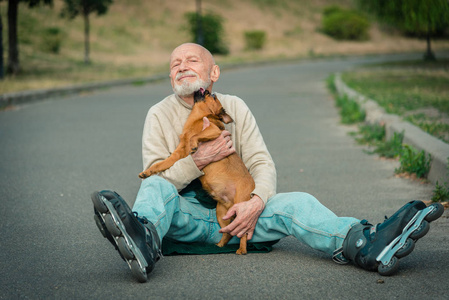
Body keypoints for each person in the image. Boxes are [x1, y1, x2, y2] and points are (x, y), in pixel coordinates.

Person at [91, 43, 444, 283]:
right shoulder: (158, 114)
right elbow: (159, 175)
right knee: (153, 186)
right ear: (171, 78)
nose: (181, 66)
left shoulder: (235, 107)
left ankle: (365, 244)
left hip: (244, 218)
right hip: (185, 219)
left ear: (214, 72)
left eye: (191, 60)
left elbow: (262, 164)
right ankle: (143, 237)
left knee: (297, 203)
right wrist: (199, 160)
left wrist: (257, 204)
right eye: (174, 65)